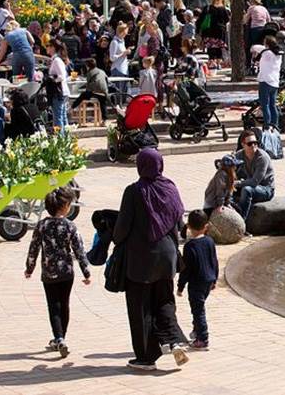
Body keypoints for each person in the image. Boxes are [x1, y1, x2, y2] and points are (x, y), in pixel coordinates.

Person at [113, 148, 189, 371]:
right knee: (164, 299)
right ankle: (174, 340)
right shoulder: (170, 188)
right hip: (168, 257)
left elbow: (121, 229)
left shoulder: (134, 192)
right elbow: (178, 221)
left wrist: (114, 239)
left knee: (140, 307)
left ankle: (146, 358)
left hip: (141, 259)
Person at [24, 187, 91, 359]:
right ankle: (62, 338)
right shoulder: (70, 226)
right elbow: (79, 250)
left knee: (53, 305)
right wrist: (86, 272)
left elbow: (34, 248)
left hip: (48, 272)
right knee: (64, 303)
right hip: (67, 272)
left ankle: (59, 337)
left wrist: (29, 268)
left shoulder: (42, 225)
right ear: (64, 206)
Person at [177, 210, 219, 351]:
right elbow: (215, 261)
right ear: (206, 225)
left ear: (188, 226)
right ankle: (196, 331)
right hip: (208, 280)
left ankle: (203, 339)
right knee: (198, 308)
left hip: (196, 283)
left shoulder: (190, 246)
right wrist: (215, 279)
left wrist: (180, 286)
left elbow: (186, 270)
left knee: (198, 311)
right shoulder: (210, 241)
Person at [234, 129, 276, 220]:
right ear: (243, 144)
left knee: (246, 189)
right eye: (249, 143)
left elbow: (254, 182)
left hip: (266, 189)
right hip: (250, 184)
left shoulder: (262, 158)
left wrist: (238, 183)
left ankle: (242, 221)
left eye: (255, 142)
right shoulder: (239, 155)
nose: (253, 145)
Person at [71, 58, 109, 122]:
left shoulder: (90, 72)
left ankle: (72, 107)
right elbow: (106, 80)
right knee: (103, 103)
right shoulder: (102, 71)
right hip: (104, 92)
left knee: (83, 95)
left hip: (94, 92)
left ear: (88, 66)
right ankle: (105, 119)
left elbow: (88, 86)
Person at [198, 0, 231, 70]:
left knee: (210, 47)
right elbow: (227, 19)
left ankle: (212, 63)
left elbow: (201, 19)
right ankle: (218, 63)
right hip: (220, 30)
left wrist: (199, 29)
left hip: (209, 31)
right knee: (219, 48)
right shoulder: (223, 9)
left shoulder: (208, 8)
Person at [257, 36, 282, 128]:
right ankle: (275, 125)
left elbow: (254, 47)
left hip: (265, 81)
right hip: (274, 82)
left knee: (265, 105)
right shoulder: (278, 54)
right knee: (272, 105)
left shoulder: (266, 53)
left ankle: (267, 125)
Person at [46, 39, 70, 131]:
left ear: (53, 47)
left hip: (58, 91)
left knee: (58, 116)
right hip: (61, 91)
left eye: (48, 45)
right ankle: (66, 138)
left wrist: (52, 80)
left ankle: (60, 138)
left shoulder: (56, 60)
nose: (46, 48)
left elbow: (61, 76)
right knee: (62, 116)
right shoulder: (55, 60)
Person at [243, 0, 271, 66]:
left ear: (252, 2)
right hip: (264, 29)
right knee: (261, 46)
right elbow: (268, 20)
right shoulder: (264, 8)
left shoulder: (251, 8)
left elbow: (246, 20)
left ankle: (251, 62)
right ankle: (259, 61)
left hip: (255, 29)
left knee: (253, 46)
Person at [110, 22, 132, 94]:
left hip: (124, 68)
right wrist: (123, 53)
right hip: (117, 69)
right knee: (118, 91)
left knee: (124, 91)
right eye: (125, 32)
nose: (126, 34)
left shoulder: (122, 41)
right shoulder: (114, 42)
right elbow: (112, 58)